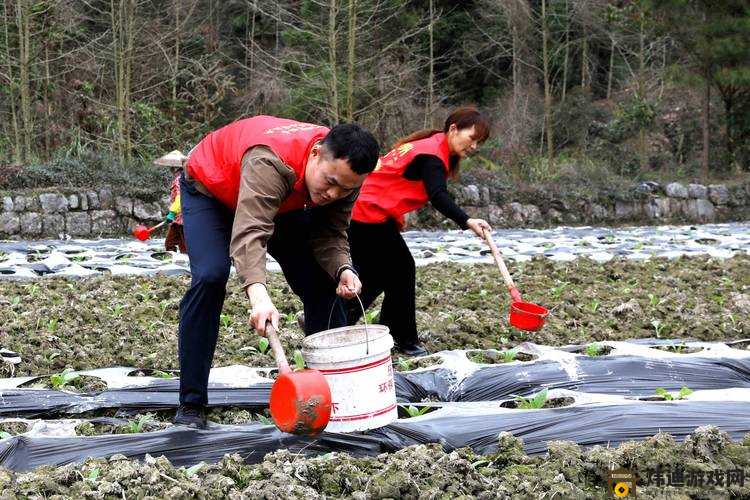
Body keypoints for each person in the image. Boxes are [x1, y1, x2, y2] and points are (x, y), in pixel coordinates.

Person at [174, 115, 379, 429]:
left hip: (284, 200)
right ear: (315, 154)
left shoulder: (343, 179)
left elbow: (331, 234)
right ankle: (191, 405)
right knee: (211, 277)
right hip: (212, 190)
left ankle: (329, 396)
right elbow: (250, 232)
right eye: (331, 182)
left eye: (345, 189)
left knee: (324, 282)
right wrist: (259, 295)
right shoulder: (271, 162)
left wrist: (343, 269)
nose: (333, 194)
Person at [347, 106, 492, 356]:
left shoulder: (429, 144)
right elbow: (438, 196)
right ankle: (402, 340)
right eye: (472, 138)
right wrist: (467, 220)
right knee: (401, 269)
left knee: (379, 276)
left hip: (364, 211)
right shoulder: (433, 156)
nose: (474, 147)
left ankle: (331, 321)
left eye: (479, 142)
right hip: (366, 212)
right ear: (453, 129)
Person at [153, 150, 188, 252]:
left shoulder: (178, 180)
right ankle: (181, 261)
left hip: (181, 218)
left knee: (174, 243)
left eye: (172, 168)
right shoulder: (183, 178)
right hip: (179, 219)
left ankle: (184, 261)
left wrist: (172, 212)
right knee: (174, 243)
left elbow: (179, 198)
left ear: (176, 169)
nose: (170, 170)